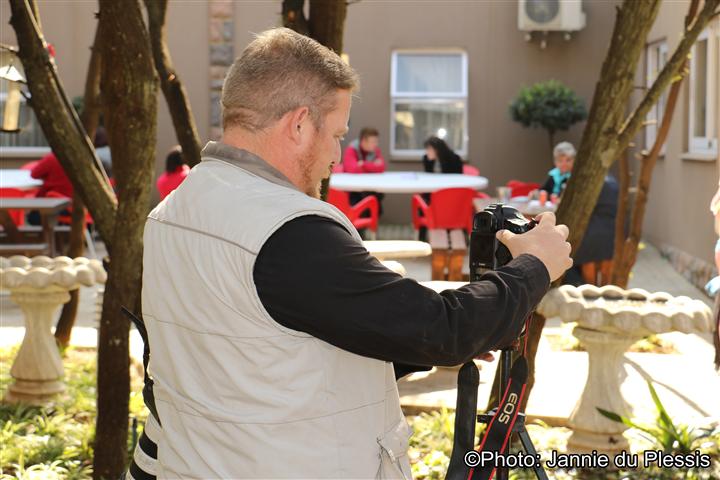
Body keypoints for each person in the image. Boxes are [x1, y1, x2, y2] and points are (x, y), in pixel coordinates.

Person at [131, 28, 572, 479]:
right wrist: (536, 265)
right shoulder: (286, 231)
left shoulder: (174, 210)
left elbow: (259, 349)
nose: (338, 155)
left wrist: (421, 340)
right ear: (299, 124)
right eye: (337, 134)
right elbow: (444, 329)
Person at [342, 127, 386, 213]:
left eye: (376, 141)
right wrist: (373, 166)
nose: (376, 144)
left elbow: (381, 167)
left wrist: (363, 164)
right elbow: (352, 169)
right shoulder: (351, 149)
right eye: (373, 142)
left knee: (377, 197)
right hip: (353, 190)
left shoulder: (375, 151)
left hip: (370, 188)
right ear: (363, 141)